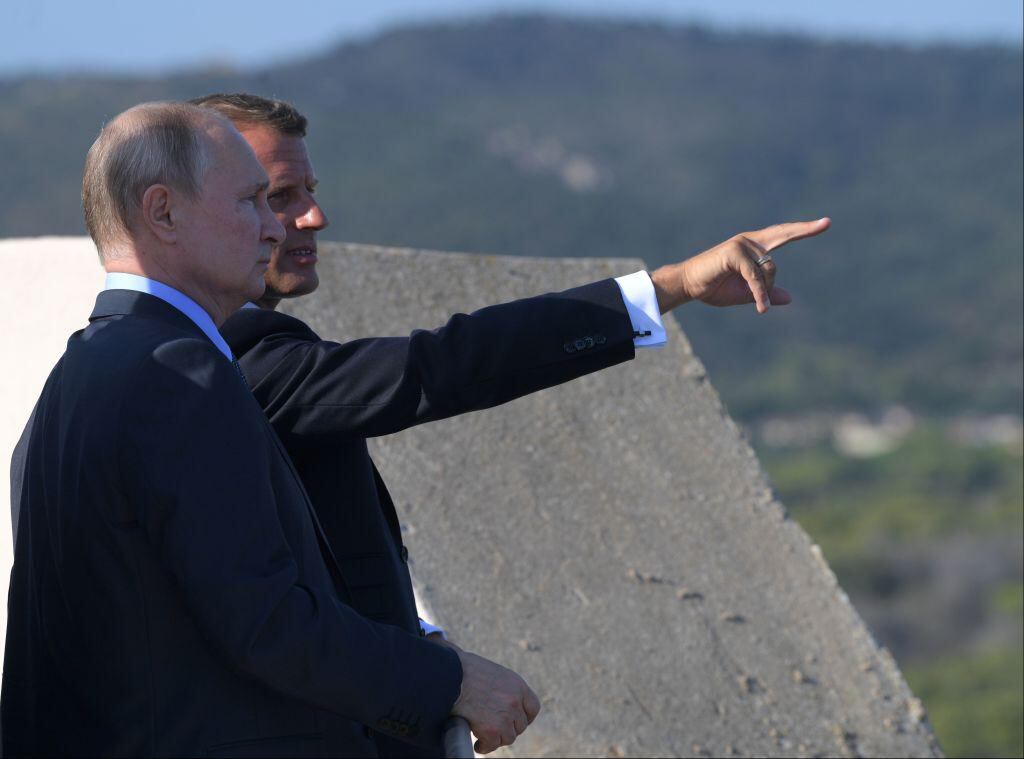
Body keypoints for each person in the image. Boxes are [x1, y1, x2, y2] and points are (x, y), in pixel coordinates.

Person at [191, 93, 831, 755]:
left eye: (311, 190)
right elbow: (443, 365)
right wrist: (669, 287)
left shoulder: (233, 353)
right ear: (190, 212)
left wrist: (420, 642)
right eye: (279, 195)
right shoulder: (243, 356)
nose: (314, 216)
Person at [3, 101, 537, 758]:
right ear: (163, 212)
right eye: (254, 202)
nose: (273, 230)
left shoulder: (74, 379)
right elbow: (268, 622)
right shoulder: (179, 372)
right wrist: (450, 680)